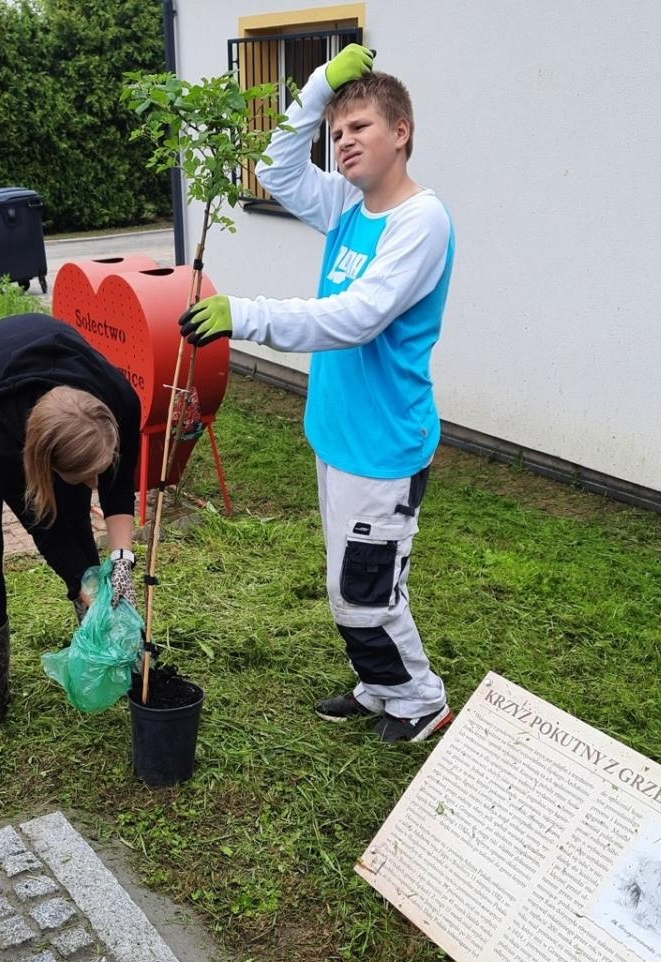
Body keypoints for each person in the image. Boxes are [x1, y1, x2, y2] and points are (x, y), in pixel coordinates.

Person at [179, 44, 455, 743]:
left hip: (384, 444)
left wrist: (245, 314)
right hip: (337, 431)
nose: (345, 141)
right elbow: (274, 168)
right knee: (352, 581)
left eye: (359, 126)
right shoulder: (348, 207)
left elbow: (357, 317)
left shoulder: (420, 222)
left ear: (403, 131)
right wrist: (318, 86)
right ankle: (380, 687)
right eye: (337, 134)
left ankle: (422, 699)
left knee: (363, 590)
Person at [0, 313, 140, 740]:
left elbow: (120, 490)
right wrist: (78, 578)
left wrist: (122, 565)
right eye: (83, 476)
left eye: (96, 473)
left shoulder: (119, 401)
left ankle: (102, 643)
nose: (92, 487)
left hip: (56, 392)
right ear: (42, 466)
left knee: (80, 535)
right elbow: (43, 527)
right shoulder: (2, 435)